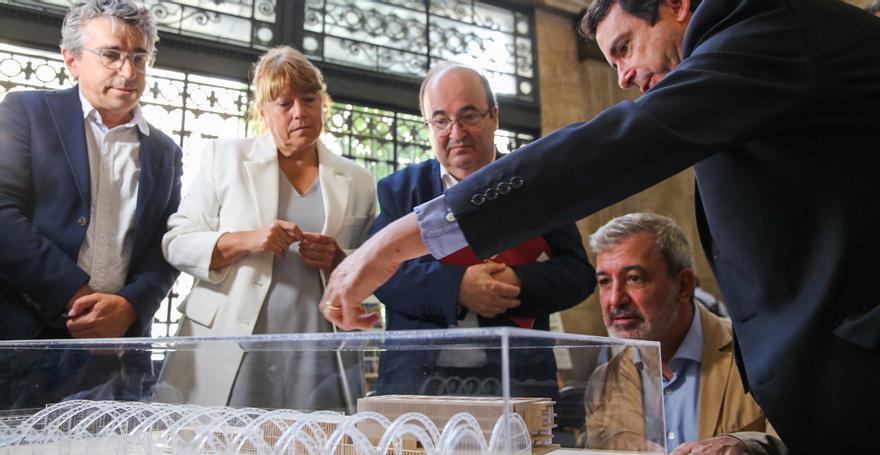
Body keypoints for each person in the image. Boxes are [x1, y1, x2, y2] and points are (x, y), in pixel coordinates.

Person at [320, 0, 880, 455]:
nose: (624, 77)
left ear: (678, 4)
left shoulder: (765, 28)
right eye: (610, 61)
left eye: (626, 47)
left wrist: (393, 243)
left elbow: (612, 148)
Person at [159, 46, 376, 410]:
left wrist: (341, 258)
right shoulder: (224, 158)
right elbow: (177, 242)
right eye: (284, 103)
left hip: (320, 351)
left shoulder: (359, 181)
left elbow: (374, 265)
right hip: (232, 343)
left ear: (324, 102)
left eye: (309, 99)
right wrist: (248, 240)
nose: (300, 112)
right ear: (262, 111)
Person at [371, 64, 593, 398]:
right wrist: (457, 287)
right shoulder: (400, 190)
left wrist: (518, 283)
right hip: (417, 384)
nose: (456, 132)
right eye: (441, 120)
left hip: (517, 382)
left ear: (494, 117)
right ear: (428, 126)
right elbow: (382, 275)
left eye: (469, 115)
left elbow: (578, 275)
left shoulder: (534, 185)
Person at [0, 0, 181, 406]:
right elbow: (2, 215)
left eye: (139, 56)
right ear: (72, 59)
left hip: (118, 356)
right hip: (22, 346)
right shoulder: (25, 113)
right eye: (112, 55)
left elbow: (165, 246)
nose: (128, 72)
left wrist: (129, 306)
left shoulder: (164, 151)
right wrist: (76, 295)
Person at [584, 213, 785, 455]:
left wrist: (747, 448)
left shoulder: (760, 352)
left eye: (634, 278)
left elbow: (804, 449)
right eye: (604, 282)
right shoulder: (604, 383)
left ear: (683, 286)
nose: (614, 299)